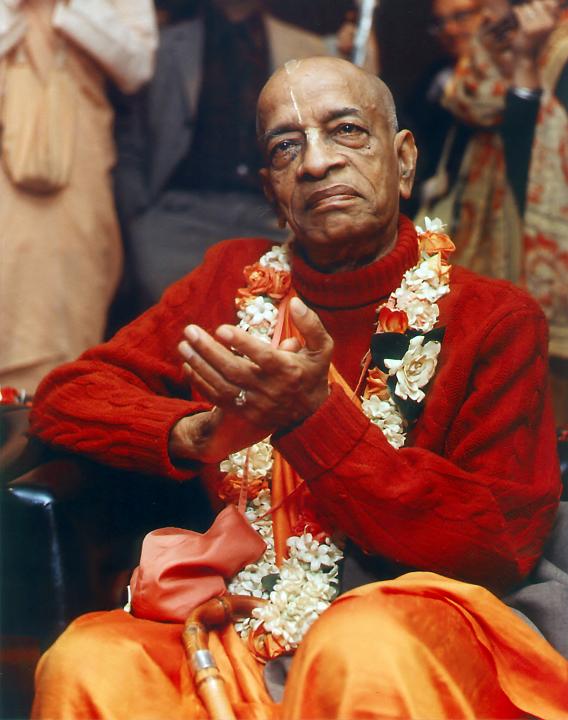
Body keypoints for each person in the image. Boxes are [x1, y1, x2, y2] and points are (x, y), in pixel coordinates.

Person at [29, 57, 568, 719]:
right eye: (287, 146)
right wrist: (197, 434)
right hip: (244, 619)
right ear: (271, 190)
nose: (316, 163)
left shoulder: (494, 317)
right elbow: (66, 396)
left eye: (345, 131)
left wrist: (316, 419)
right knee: (88, 661)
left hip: (413, 629)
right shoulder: (229, 279)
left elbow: (498, 545)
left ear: (403, 160)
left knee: (358, 650)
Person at [113, 0, 374, 317]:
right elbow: (131, 142)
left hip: (270, 219)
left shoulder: (308, 47)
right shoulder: (162, 45)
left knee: (271, 332)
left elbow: (351, 125)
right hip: (175, 219)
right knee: (172, 335)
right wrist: (140, 219)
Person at [0, 0, 158, 393]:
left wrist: (71, 6)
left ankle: (51, 424)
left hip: (80, 167)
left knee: (69, 300)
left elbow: (137, 68)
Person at [411, 0, 523, 281]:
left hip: (511, 210)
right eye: (441, 22)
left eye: (461, 16)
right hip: (451, 207)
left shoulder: (522, 64)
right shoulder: (436, 76)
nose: (450, 29)